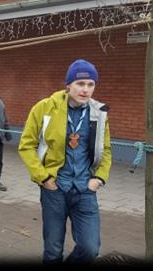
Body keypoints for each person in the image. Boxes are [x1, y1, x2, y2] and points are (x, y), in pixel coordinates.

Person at [18, 59, 112, 264]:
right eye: (80, 84)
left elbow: (106, 150)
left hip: (85, 190)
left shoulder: (99, 113)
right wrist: (43, 178)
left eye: (90, 84)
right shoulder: (44, 108)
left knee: (90, 249)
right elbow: (26, 145)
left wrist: (99, 179)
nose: (85, 90)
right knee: (52, 252)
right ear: (68, 84)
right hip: (55, 189)